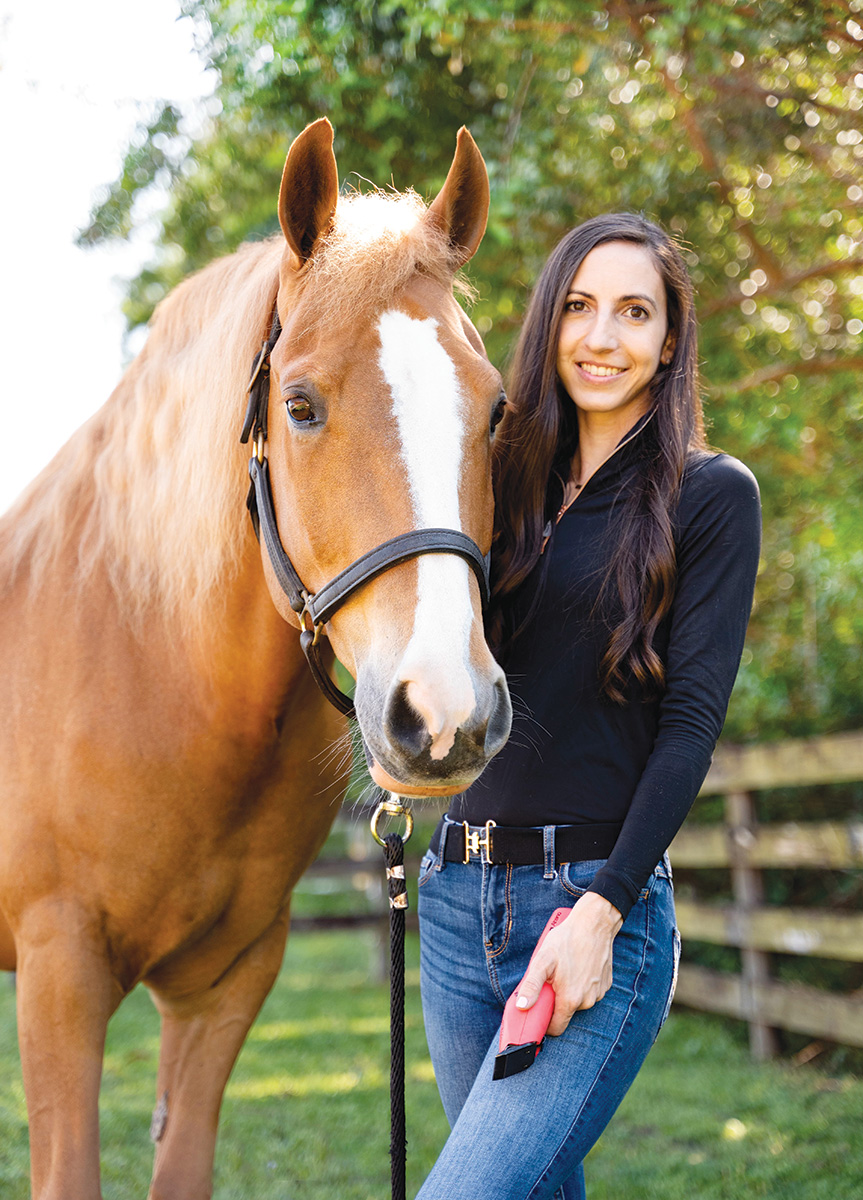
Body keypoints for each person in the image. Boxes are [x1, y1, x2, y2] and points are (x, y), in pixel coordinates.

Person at [415, 213, 761, 1199]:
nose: (600, 337)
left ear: (667, 340)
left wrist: (602, 908)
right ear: (547, 322)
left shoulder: (707, 496)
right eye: (577, 306)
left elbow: (689, 724)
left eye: (632, 312)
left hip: (585, 909)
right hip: (451, 900)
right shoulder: (496, 481)